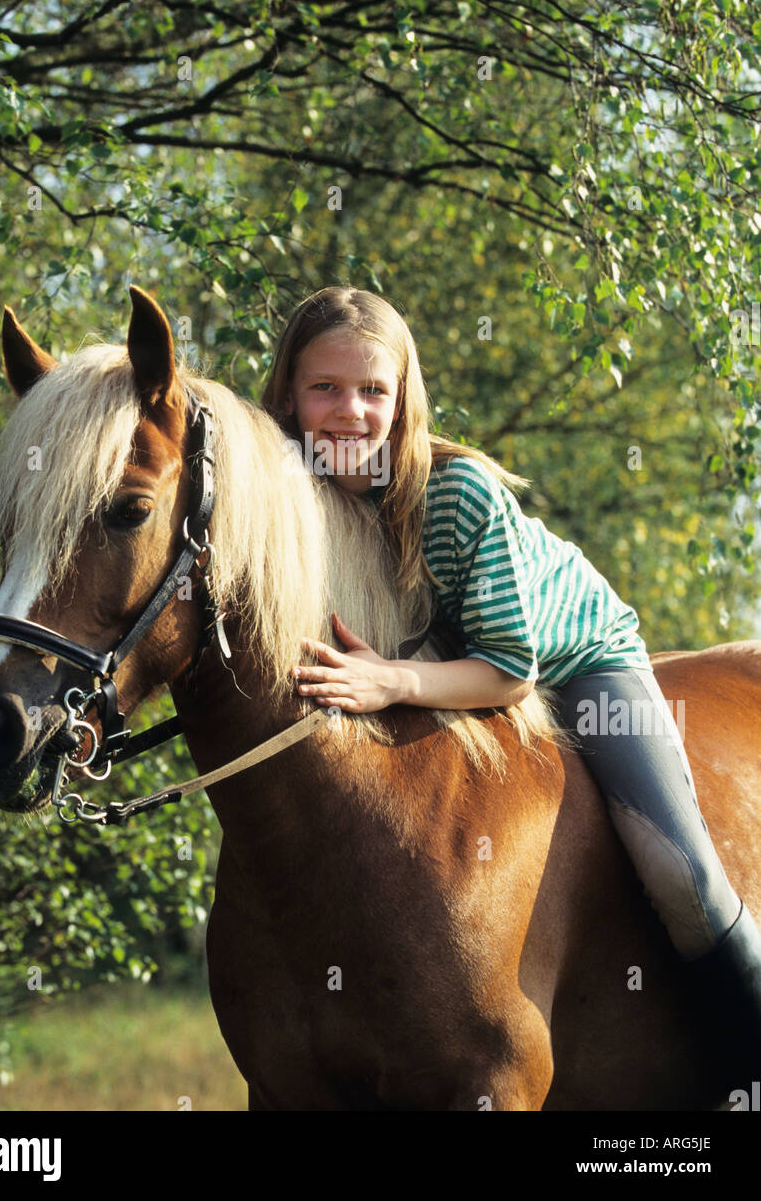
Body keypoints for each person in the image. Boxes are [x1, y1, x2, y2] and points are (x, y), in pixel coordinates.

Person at [261, 284, 761, 1089]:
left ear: (401, 398)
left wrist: (390, 679)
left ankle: (748, 1070)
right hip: (439, 676)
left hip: (570, 664)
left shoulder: (456, 493)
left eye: (372, 391)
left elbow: (507, 670)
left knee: (682, 872)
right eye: (324, 388)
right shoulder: (289, 498)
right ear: (288, 392)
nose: (348, 411)